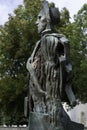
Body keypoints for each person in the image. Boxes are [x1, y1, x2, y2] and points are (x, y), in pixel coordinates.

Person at [26, 1, 83, 130]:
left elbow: (52, 86)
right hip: (40, 108)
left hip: (46, 111)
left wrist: (31, 71)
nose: (36, 22)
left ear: (48, 20)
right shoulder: (42, 42)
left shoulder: (50, 41)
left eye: (39, 18)